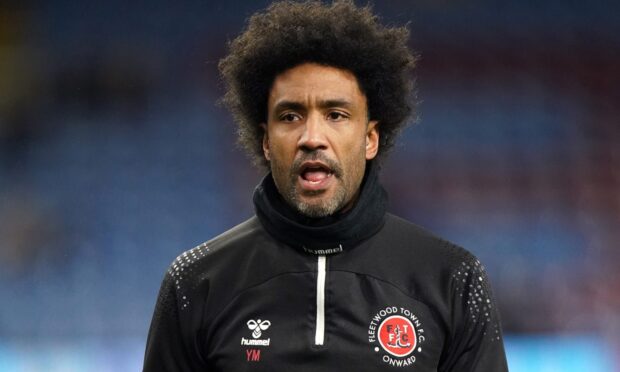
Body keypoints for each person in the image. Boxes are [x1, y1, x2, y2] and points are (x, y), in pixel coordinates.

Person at [143, 1, 508, 371]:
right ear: (266, 141)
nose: (312, 137)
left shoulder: (453, 278)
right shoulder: (195, 282)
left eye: (336, 115)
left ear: (370, 139)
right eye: (290, 116)